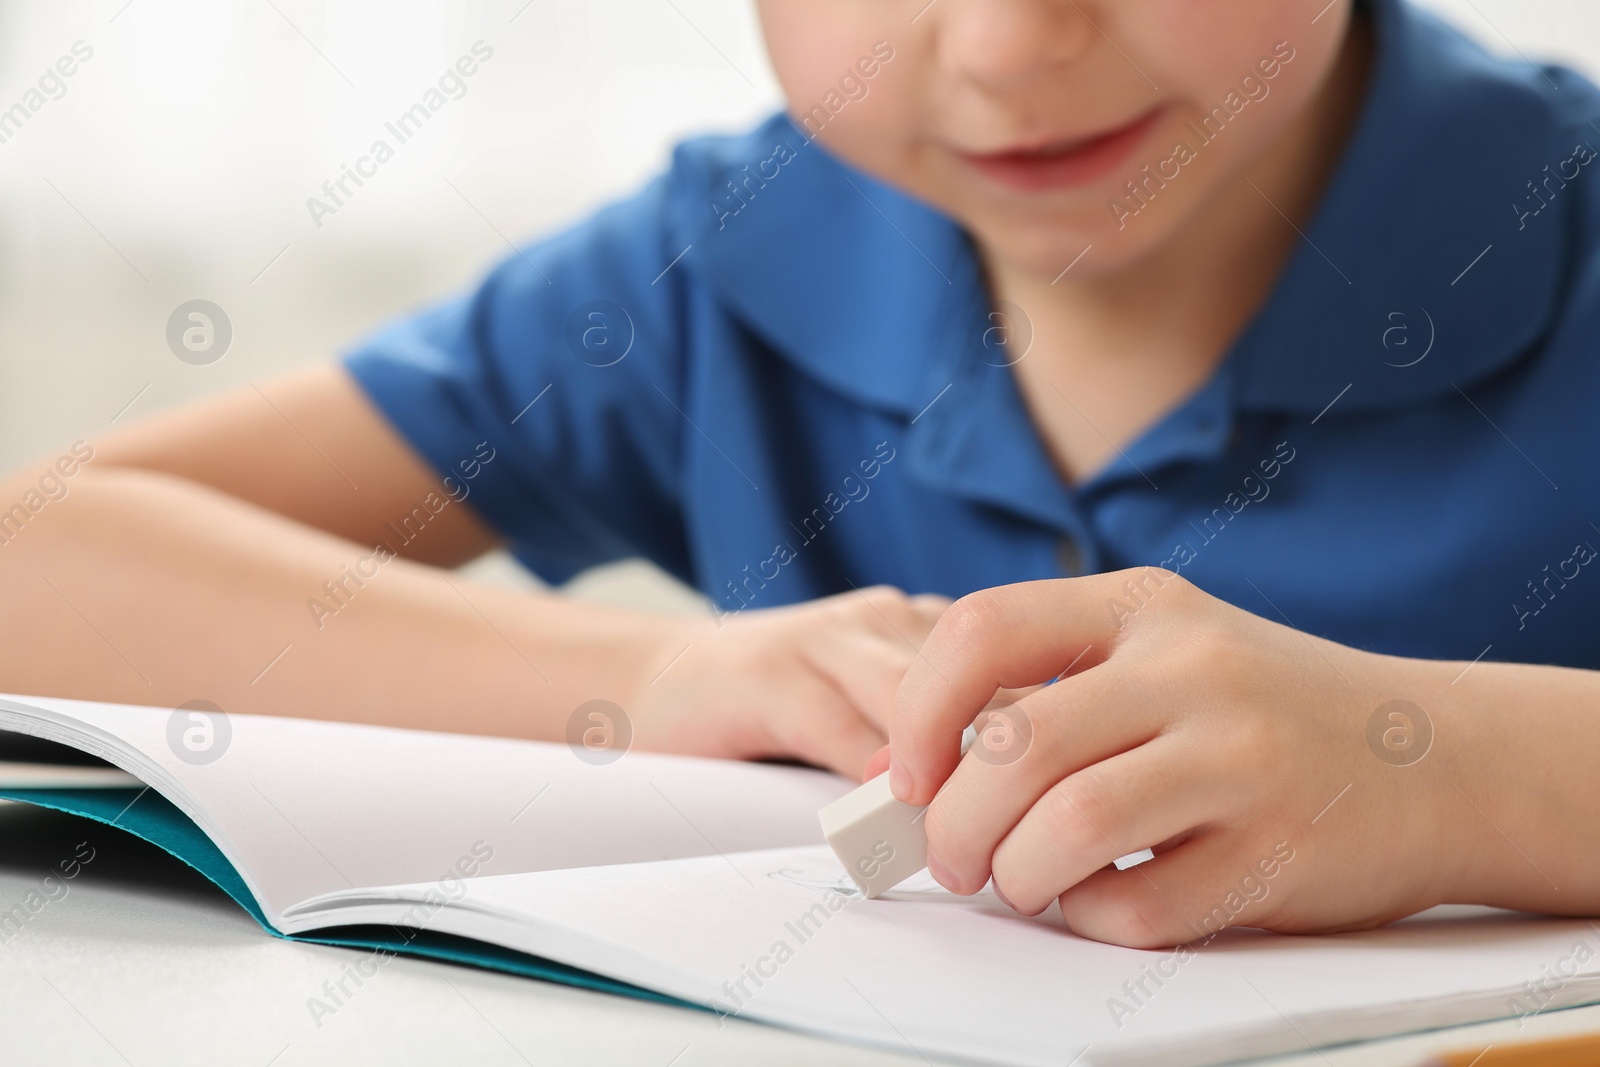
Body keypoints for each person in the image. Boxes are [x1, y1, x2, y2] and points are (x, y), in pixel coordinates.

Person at [4, 0, 1600, 946]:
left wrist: (1446, 768)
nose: (1008, 46)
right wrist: (651, 676)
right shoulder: (714, 264)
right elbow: (31, 563)